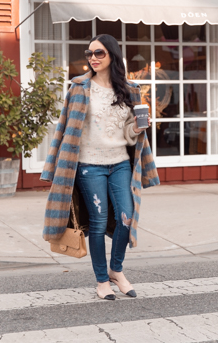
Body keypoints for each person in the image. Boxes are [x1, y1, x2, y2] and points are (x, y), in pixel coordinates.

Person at [41, 33, 160, 300]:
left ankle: (116, 270)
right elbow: (64, 129)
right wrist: (53, 166)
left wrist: (139, 127)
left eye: (99, 53)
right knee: (97, 223)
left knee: (126, 218)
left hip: (119, 163)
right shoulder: (79, 88)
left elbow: (129, 133)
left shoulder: (128, 90)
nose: (92, 58)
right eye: (89, 54)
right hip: (88, 166)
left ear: (112, 56)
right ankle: (101, 280)